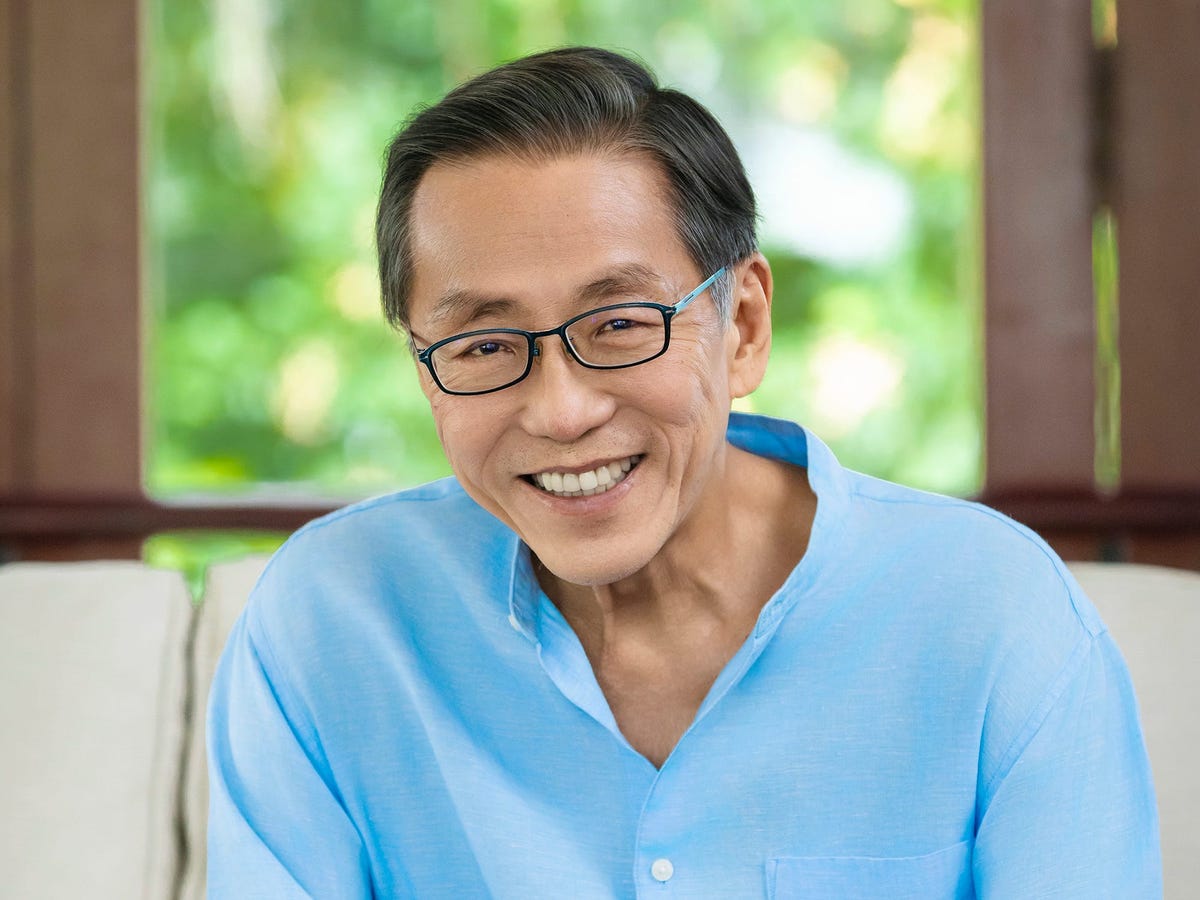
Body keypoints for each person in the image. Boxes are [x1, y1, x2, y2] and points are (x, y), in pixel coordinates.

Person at [206, 47, 1161, 897]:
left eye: (620, 325)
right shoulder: (331, 621)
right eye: (485, 345)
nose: (561, 411)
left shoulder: (993, 614)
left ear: (742, 324)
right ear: (425, 368)